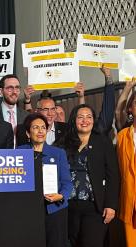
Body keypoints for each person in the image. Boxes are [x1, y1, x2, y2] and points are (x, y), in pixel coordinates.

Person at [56, 104, 120, 247]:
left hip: (95, 207)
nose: (85, 121)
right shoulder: (63, 141)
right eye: (80, 117)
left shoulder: (102, 141)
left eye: (89, 117)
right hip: (68, 206)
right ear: (74, 120)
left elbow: (113, 175)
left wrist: (111, 205)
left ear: (93, 120)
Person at [17, 113, 72, 247]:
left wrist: (61, 196)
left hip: (55, 209)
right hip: (28, 211)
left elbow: (67, 182)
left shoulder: (58, 153)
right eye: (36, 127)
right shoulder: (19, 152)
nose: (40, 131)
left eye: (43, 127)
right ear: (28, 133)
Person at [116, 87, 136, 247]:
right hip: (129, 203)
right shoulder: (123, 135)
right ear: (130, 108)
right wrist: (128, 87)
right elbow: (117, 112)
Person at [0, 74, 29, 146]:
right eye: (10, 88)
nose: (14, 92)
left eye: (17, 88)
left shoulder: (26, 116)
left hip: (22, 156)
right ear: (1, 91)